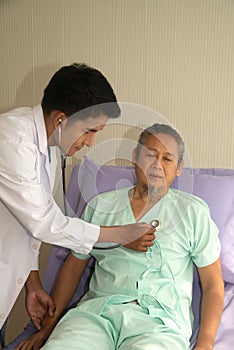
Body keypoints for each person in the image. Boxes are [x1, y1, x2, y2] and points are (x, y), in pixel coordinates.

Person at [16, 123, 224, 350]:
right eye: (150, 155)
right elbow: (74, 267)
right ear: (135, 156)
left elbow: (213, 283)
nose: (157, 165)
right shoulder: (101, 206)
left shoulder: (193, 212)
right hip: (96, 316)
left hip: (159, 325)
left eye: (167, 159)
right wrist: (48, 329)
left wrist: (205, 344)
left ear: (179, 167)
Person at [0, 63, 154, 344]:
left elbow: (30, 222)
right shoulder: (12, 138)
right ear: (60, 119)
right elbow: (44, 221)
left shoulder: (50, 148)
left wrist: (32, 283)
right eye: (89, 131)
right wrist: (119, 234)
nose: (90, 143)